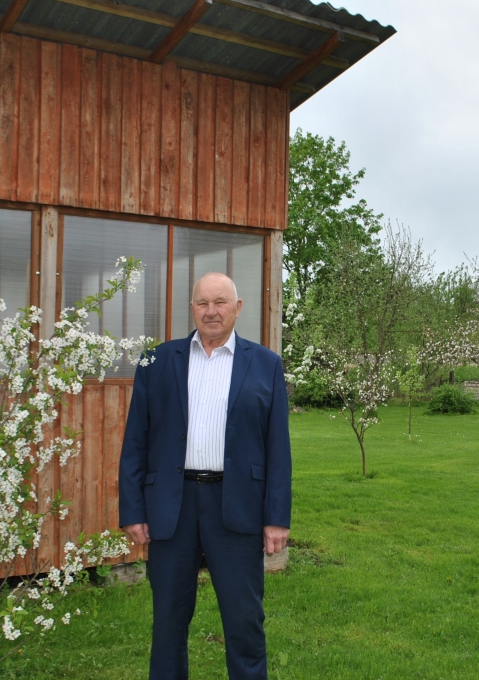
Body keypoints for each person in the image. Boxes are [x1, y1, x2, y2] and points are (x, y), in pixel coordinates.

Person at [118, 271, 292, 680]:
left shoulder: (265, 364)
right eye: (202, 303)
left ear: (237, 308)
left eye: (220, 302)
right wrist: (133, 509)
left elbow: (277, 449)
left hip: (237, 510)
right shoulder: (157, 361)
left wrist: (276, 517)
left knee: (244, 623)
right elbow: (136, 442)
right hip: (171, 509)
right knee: (168, 626)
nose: (211, 312)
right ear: (191, 307)